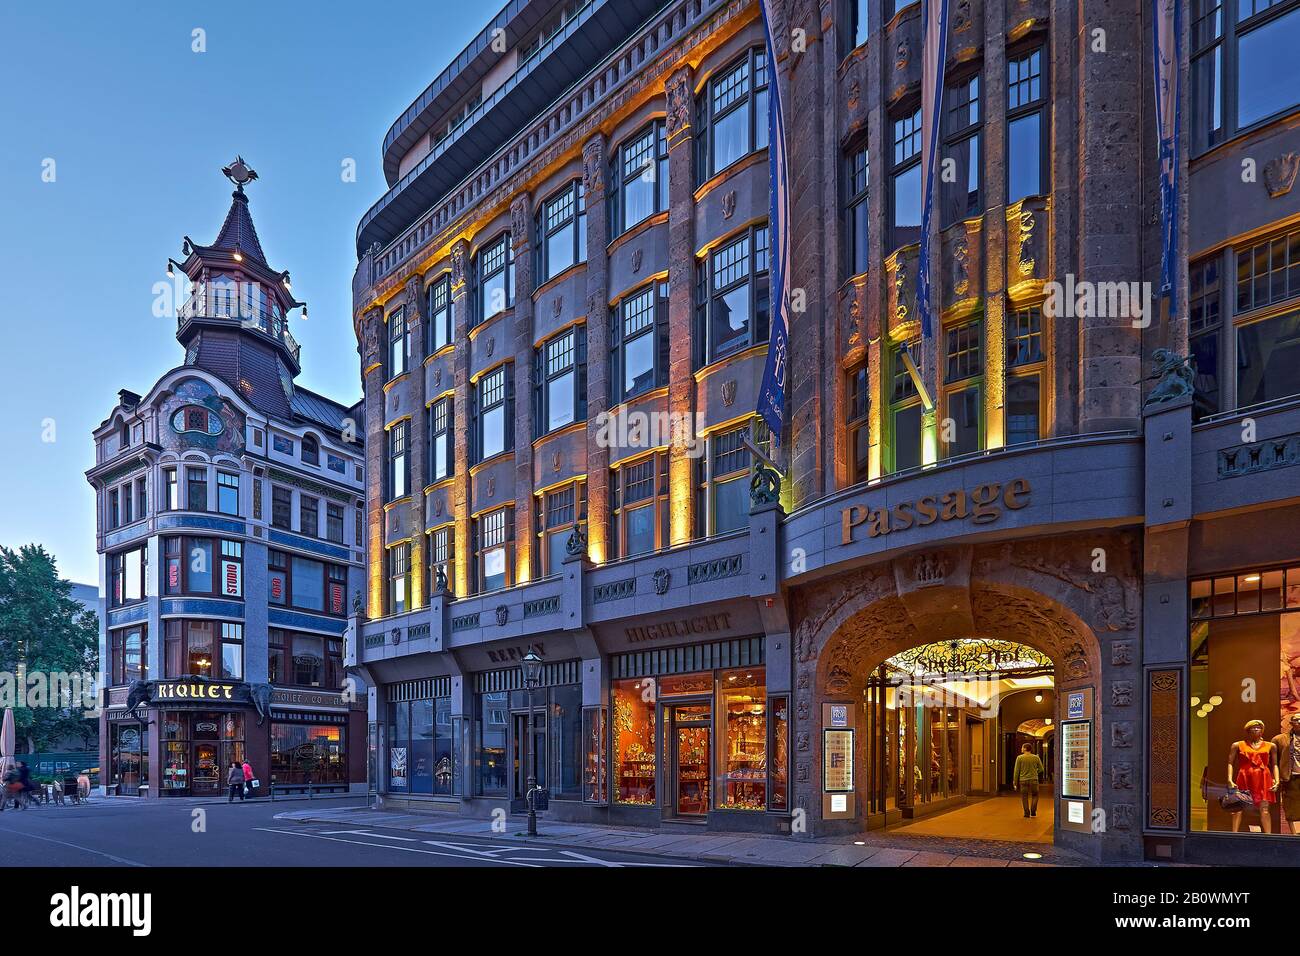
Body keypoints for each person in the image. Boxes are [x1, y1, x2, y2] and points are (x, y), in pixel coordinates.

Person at [1228, 719, 1279, 833]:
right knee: (1238, 807)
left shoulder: (1271, 746)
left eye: (1259, 727)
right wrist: (1229, 779)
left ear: (1262, 730)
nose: (1256, 729)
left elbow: (1275, 764)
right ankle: (1234, 834)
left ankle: (1268, 836)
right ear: (1247, 730)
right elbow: (1230, 763)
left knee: (1264, 809)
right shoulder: (1238, 745)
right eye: (1253, 728)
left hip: (1264, 778)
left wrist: (1277, 781)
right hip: (1244, 777)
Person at [1271, 713, 1300, 835]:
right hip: (1291, 776)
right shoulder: (1279, 739)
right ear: (1291, 723)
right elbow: (1273, 762)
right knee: (1291, 806)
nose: (1299, 722)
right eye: (1297, 720)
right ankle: (1294, 834)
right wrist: (1276, 778)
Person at [1012, 743, 1045, 818]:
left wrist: (1015, 782)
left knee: (1024, 796)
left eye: (1022, 747)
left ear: (1025, 749)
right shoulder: (1036, 757)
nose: (1021, 749)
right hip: (1034, 780)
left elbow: (1016, 771)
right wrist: (1035, 772)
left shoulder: (1019, 758)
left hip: (1023, 780)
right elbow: (1041, 769)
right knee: (1035, 795)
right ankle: (1033, 811)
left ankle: (1026, 813)